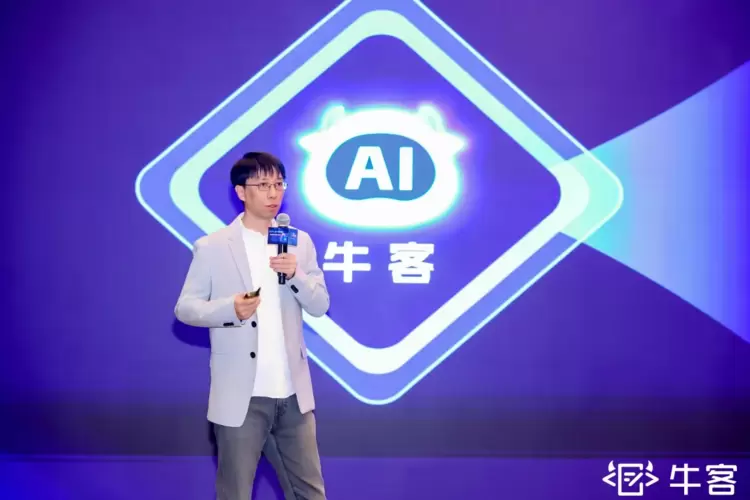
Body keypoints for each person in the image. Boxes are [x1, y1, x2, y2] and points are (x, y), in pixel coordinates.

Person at [174, 152, 329, 499]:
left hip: (293, 395)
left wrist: (296, 274)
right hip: (242, 397)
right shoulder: (213, 247)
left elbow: (320, 304)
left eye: (279, 184)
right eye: (263, 185)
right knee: (235, 494)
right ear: (241, 192)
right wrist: (230, 308)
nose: (273, 193)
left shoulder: (298, 242)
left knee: (311, 494)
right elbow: (186, 308)